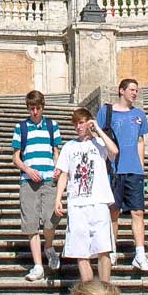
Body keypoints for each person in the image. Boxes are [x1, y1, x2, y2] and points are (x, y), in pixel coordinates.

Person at [54, 108, 120, 283]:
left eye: (81, 122)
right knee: (80, 252)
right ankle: (90, 292)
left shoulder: (99, 143)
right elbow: (64, 173)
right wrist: (58, 198)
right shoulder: (69, 146)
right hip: (77, 204)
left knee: (103, 249)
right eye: (76, 123)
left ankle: (105, 289)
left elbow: (114, 152)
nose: (78, 126)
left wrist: (97, 129)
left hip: (98, 202)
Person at [98, 78, 148, 273]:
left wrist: (141, 165)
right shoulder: (106, 112)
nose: (135, 93)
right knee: (113, 212)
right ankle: (112, 250)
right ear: (121, 91)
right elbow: (99, 139)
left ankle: (140, 253)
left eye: (136, 90)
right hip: (113, 169)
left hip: (133, 170)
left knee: (138, 212)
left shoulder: (139, 115)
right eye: (131, 90)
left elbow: (140, 142)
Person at [12, 89, 62, 282]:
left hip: (49, 179)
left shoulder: (52, 125)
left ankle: (48, 247)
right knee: (31, 223)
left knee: (50, 221)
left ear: (43, 108)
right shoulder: (21, 127)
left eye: (37, 108)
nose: (34, 112)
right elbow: (15, 157)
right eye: (31, 108)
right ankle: (38, 265)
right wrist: (27, 169)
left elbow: (56, 151)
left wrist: (57, 168)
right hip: (28, 181)